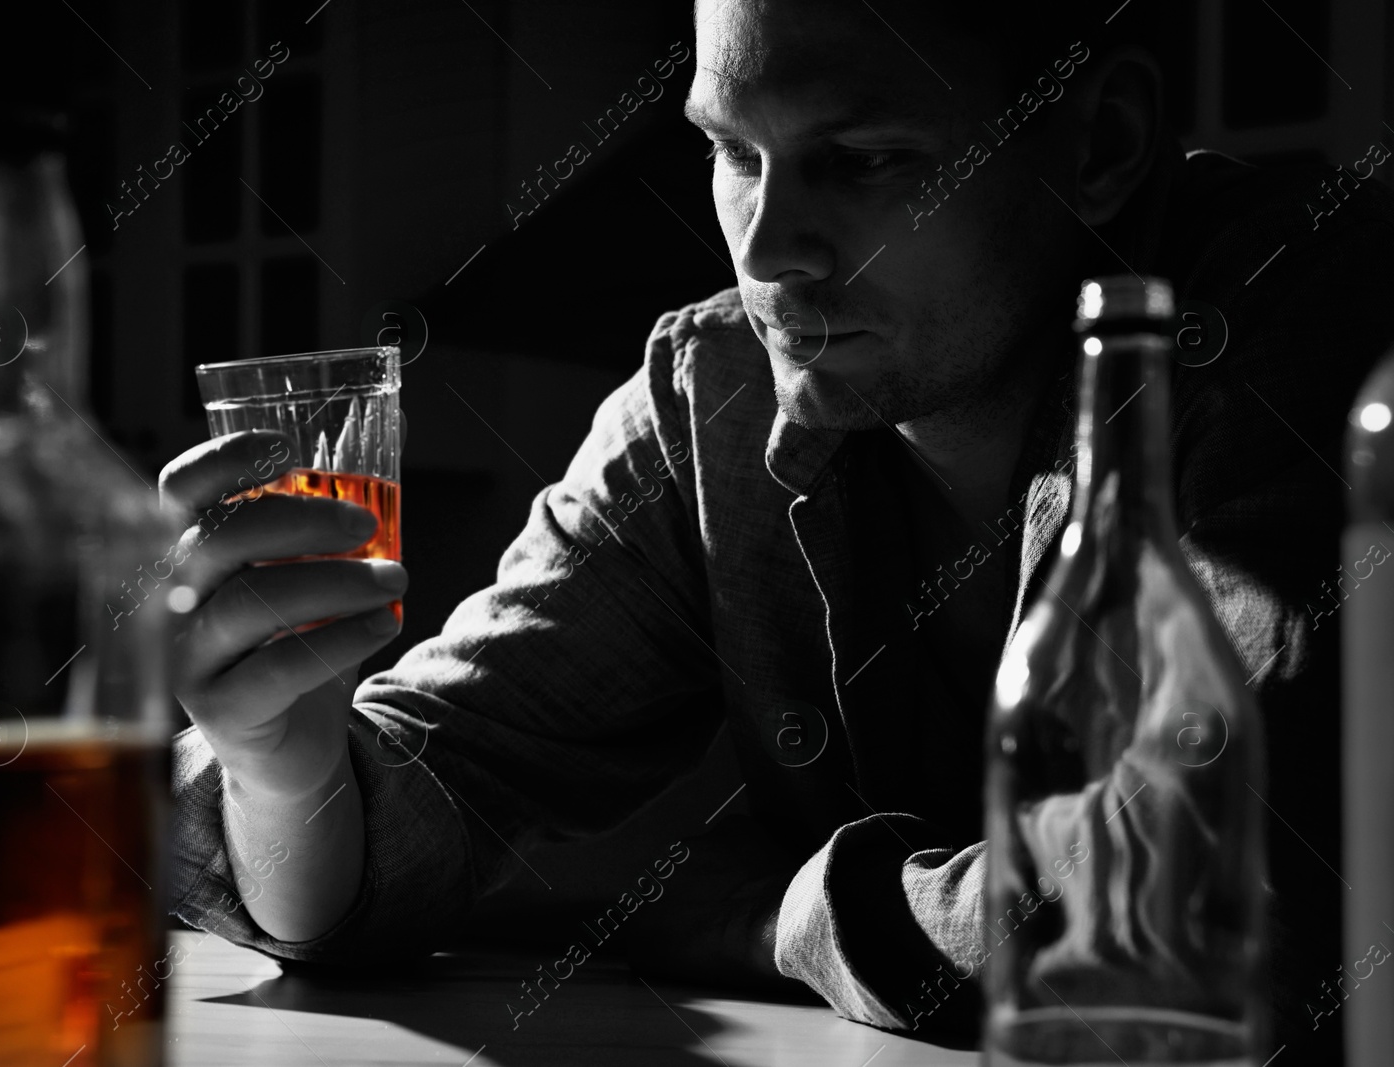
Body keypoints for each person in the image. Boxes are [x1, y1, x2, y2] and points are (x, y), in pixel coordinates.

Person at [165, 0, 1394, 1056]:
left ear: (1101, 141)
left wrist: (789, 917)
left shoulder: (1306, 317)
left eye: (859, 159)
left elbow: (1214, 894)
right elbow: (429, 784)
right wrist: (283, 765)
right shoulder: (710, 395)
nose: (765, 252)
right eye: (731, 152)